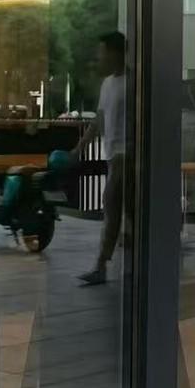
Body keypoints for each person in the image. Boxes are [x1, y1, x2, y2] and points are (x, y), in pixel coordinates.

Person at [71, 30, 126, 287]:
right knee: (115, 210)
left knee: (112, 206)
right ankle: (105, 264)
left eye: (102, 52)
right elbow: (99, 119)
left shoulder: (134, 83)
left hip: (127, 156)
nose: (99, 57)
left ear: (115, 53)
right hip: (113, 156)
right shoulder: (108, 84)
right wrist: (80, 147)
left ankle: (101, 265)